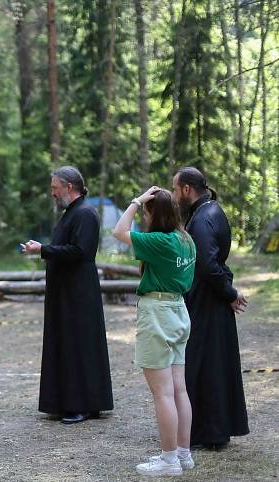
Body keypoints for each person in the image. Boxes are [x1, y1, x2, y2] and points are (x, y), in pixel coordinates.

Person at [113, 187, 197, 476]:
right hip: (178, 310)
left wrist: (136, 201)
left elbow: (118, 231)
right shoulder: (186, 239)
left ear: (153, 213)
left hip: (158, 313)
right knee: (178, 389)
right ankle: (183, 455)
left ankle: (169, 460)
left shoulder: (160, 241)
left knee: (162, 393)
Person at [21, 166, 113, 424]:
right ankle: (72, 401)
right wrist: (44, 250)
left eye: (54, 188)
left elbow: (79, 252)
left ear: (69, 187)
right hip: (67, 289)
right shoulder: (73, 212)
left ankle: (82, 404)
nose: (52, 193)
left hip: (78, 290)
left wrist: (43, 250)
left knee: (78, 345)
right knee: (69, 343)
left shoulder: (84, 213)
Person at [172, 166, 250, 449]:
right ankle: (210, 430)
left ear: (186, 190)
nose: (174, 195)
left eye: (175, 188)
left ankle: (211, 431)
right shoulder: (207, 212)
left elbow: (207, 264)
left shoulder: (205, 217)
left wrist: (228, 293)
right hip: (209, 300)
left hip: (208, 302)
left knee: (206, 365)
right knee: (210, 364)